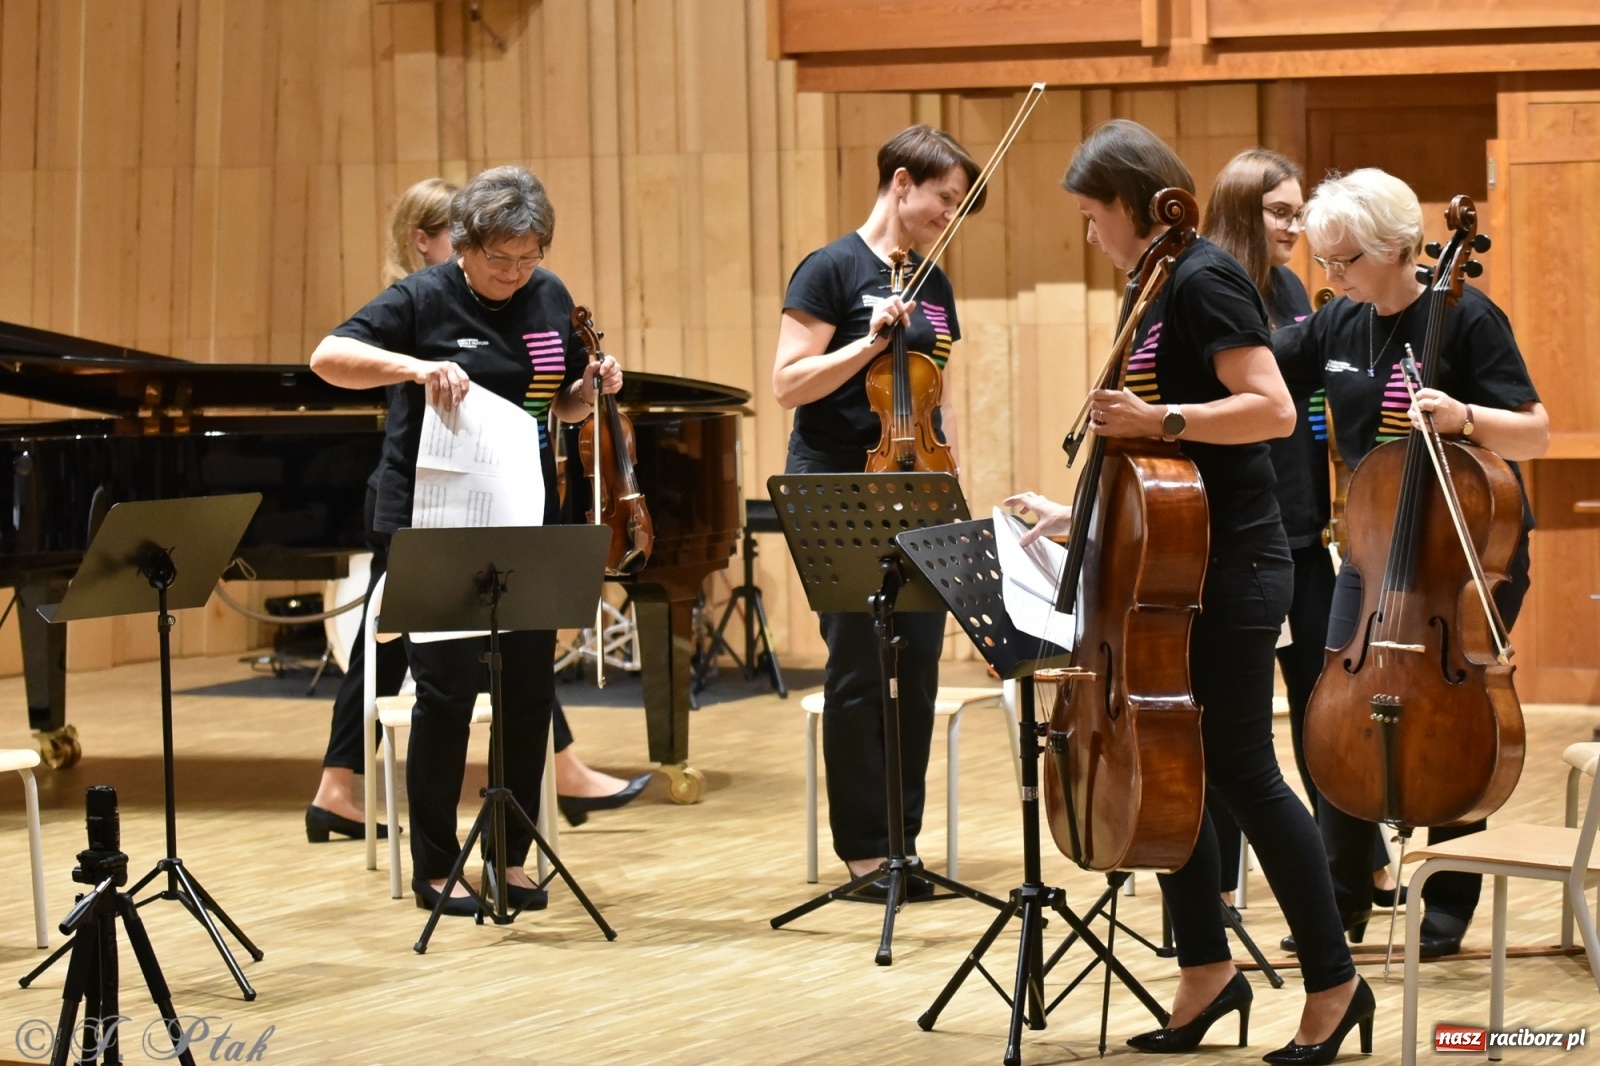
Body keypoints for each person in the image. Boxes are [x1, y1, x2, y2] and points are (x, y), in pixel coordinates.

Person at [1005, 120, 1370, 1061]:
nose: (1090, 234)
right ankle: (1206, 971)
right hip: (1180, 560)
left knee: (1245, 774)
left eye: (1092, 216)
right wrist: (1080, 509)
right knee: (1179, 774)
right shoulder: (1154, 280)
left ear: (1130, 203)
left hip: (1240, 565)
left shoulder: (1205, 277)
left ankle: (1335, 982)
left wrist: (1160, 414)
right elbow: (1151, 447)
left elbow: (1270, 408)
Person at [310, 166, 623, 916]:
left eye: (527, 259)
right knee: (446, 693)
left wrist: (594, 390)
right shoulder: (419, 299)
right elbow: (328, 357)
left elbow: (562, 404)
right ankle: (437, 866)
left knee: (526, 689)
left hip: (524, 513)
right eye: (498, 261)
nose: (514, 275)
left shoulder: (547, 296)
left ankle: (511, 859)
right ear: (461, 244)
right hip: (435, 519)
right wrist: (414, 366)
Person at [1273, 167, 1549, 958]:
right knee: (1340, 706)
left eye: (1344, 261)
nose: (1330, 277)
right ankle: (1339, 902)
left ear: (1397, 249)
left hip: (1465, 552)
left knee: (1448, 712)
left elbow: (1535, 431)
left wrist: (1466, 416)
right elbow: (1261, 367)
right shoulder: (1340, 322)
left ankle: (1446, 907)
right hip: (1371, 548)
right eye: (1324, 262)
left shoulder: (1466, 317)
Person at [772, 124, 977, 894]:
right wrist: (866, 344)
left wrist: (951, 480)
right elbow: (789, 383)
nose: (948, 217)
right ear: (900, 183)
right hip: (838, 482)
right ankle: (863, 849)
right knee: (861, 659)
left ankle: (904, 842)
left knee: (917, 660)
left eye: (959, 205)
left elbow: (935, 391)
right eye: (943, 199)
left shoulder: (937, 282)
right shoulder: (830, 270)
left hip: (916, 481)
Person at [1199, 149, 1399, 915]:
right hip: (1245, 530)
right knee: (1231, 726)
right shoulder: (1215, 284)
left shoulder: (1286, 287)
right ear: (1242, 210)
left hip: (1303, 525)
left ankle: (1353, 866)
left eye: (1296, 212)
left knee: (1324, 713)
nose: (1294, 227)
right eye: (1278, 212)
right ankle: (1217, 889)